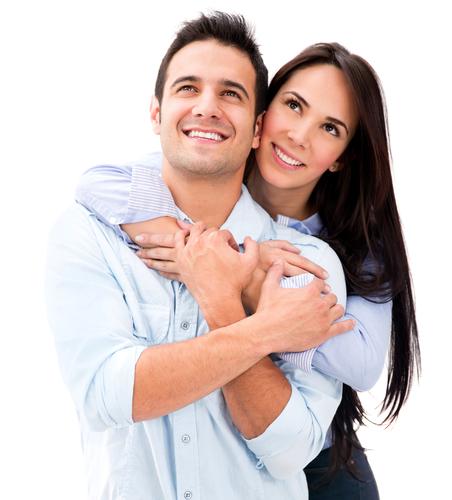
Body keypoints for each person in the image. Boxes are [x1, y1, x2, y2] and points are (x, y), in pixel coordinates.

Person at [76, 40, 421, 498]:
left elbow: (360, 362)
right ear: (261, 116)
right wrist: (196, 248)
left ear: (341, 156)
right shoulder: (203, 172)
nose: (299, 135)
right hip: (217, 442)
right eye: (294, 106)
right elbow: (96, 182)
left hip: (323, 454)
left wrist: (253, 282)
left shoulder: (352, 241)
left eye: (330, 128)